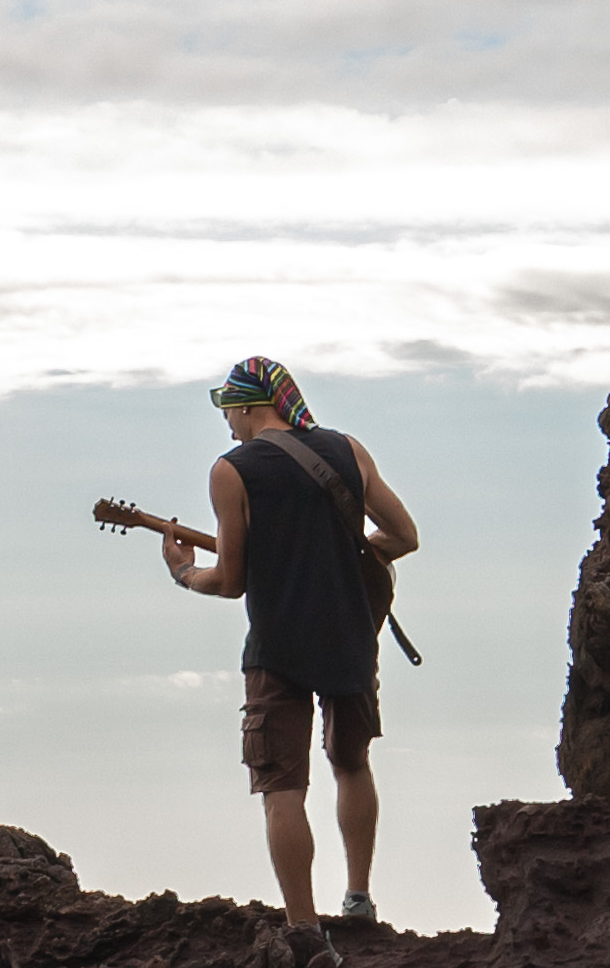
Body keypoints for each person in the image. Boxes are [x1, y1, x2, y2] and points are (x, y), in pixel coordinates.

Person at [142, 356, 419, 932]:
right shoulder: (348, 451)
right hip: (349, 636)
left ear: (246, 405)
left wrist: (184, 573)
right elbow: (403, 536)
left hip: (277, 646)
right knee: (352, 763)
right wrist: (344, 559)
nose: (227, 426)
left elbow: (231, 580)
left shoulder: (232, 472)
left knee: (282, 787)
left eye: (227, 411)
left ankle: (304, 931)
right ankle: (359, 900)